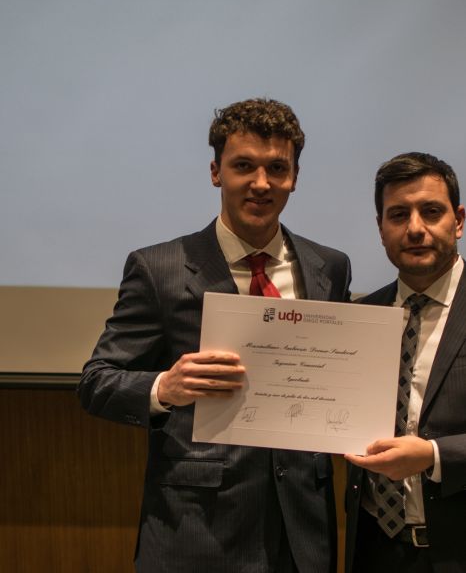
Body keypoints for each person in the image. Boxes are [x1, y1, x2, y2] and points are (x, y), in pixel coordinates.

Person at [78, 97, 351, 573]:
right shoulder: (159, 268)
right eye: (243, 166)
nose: (261, 183)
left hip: (303, 532)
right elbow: (97, 381)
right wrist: (165, 387)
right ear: (215, 172)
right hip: (197, 532)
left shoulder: (329, 266)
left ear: (294, 177)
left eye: (277, 168)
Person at [345, 152, 466, 573]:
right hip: (374, 550)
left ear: (459, 221)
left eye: (431, 211)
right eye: (398, 215)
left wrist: (435, 455)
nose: (415, 228)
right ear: (381, 228)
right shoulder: (361, 316)